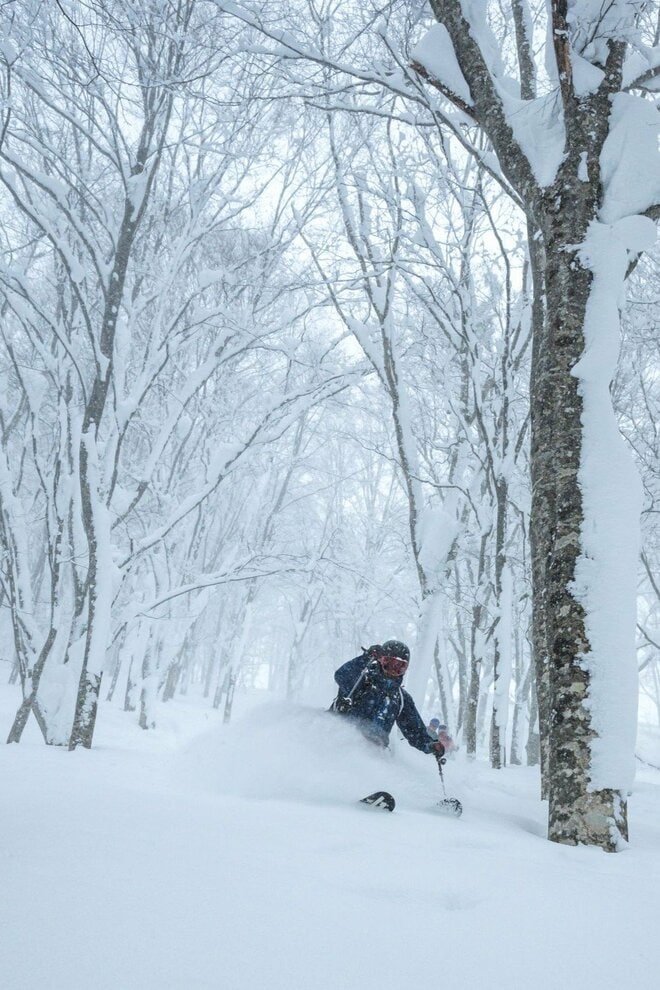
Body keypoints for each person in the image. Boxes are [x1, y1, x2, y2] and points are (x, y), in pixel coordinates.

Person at [331, 640, 446, 757]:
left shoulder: (401, 698)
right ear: (381, 660)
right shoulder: (363, 679)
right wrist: (365, 658)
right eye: (389, 663)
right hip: (339, 744)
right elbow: (341, 676)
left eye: (399, 667)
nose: (393, 671)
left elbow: (414, 731)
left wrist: (430, 745)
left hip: (372, 757)